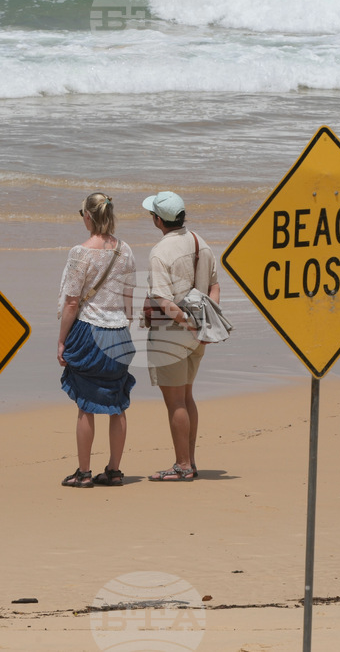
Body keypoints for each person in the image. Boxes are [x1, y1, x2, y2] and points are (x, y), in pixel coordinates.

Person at [57, 192, 137, 488]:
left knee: (85, 404)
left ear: (88, 216)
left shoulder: (80, 252)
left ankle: (84, 472)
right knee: (118, 404)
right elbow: (129, 298)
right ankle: (114, 471)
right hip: (119, 334)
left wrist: (61, 341)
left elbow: (71, 303)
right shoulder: (125, 250)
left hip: (89, 333)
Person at [142, 191, 220, 482]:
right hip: (198, 334)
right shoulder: (201, 242)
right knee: (187, 397)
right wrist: (205, 325)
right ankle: (190, 461)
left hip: (172, 335)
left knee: (175, 402)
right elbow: (214, 287)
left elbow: (164, 302)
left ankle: (183, 465)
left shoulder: (160, 252)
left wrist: (189, 325)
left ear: (159, 220)